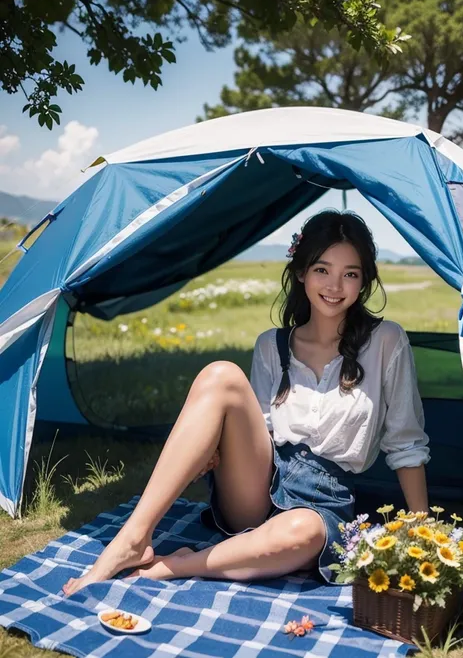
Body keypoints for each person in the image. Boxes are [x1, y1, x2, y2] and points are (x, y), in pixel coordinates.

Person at [63, 210, 430, 596]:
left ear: (363, 282)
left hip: (325, 498)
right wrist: (216, 449)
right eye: (322, 269)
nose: (335, 285)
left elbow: (405, 442)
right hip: (260, 482)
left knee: (299, 534)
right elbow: (260, 429)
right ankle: (133, 539)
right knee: (221, 375)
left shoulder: (387, 341)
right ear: (302, 271)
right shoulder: (271, 345)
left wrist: (421, 530)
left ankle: (176, 564)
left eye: (350, 274)